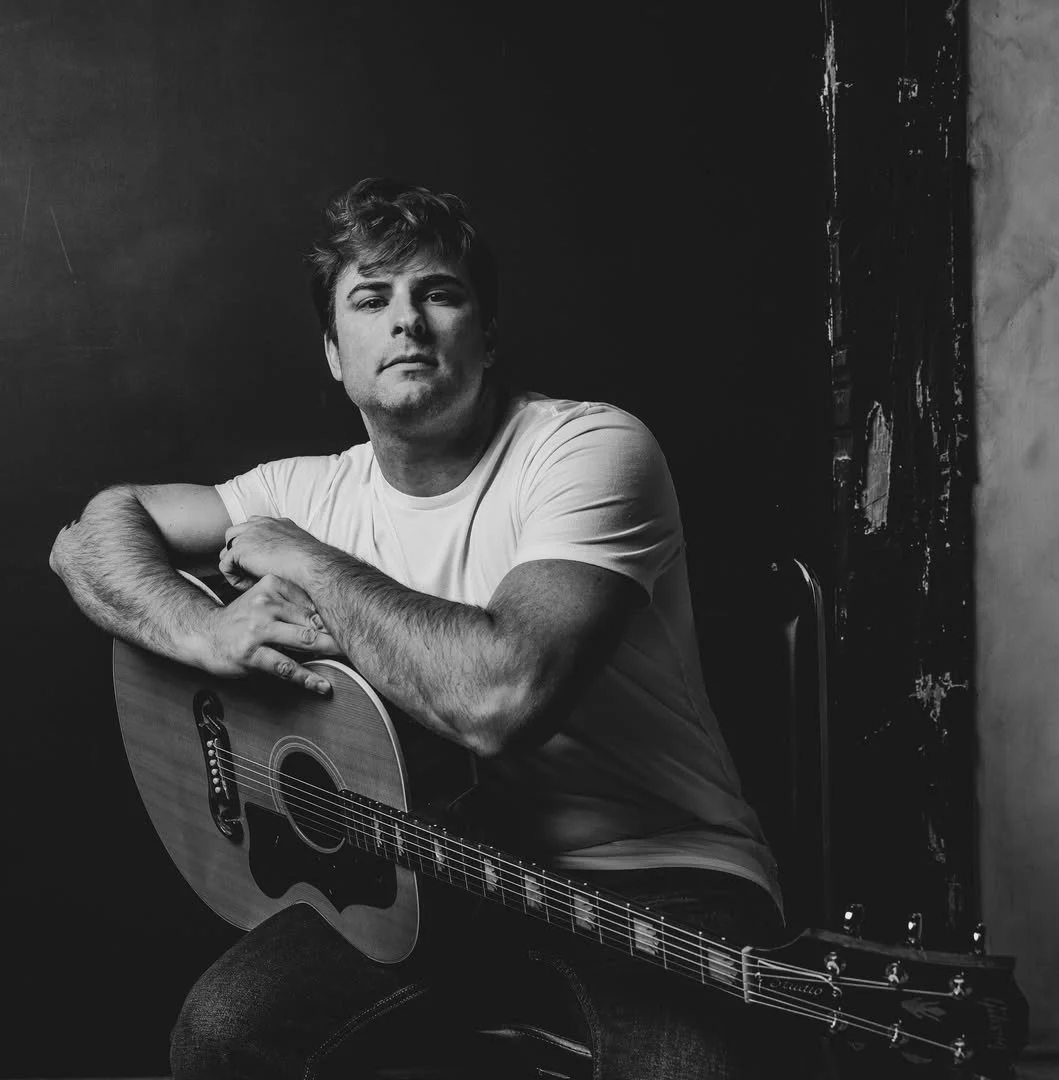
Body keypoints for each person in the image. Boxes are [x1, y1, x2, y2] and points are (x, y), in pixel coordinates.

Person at [50, 178, 794, 1078]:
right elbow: (94, 533)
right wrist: (200, 632)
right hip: (427, 873)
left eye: (438, 293)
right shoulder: (305, 488)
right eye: (371, 299)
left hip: (659, 872)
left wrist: (310, 561)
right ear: (334, 351)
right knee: (223, 1033)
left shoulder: (587, 450)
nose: (407, 320)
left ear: (488, 332)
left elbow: (500, 697)